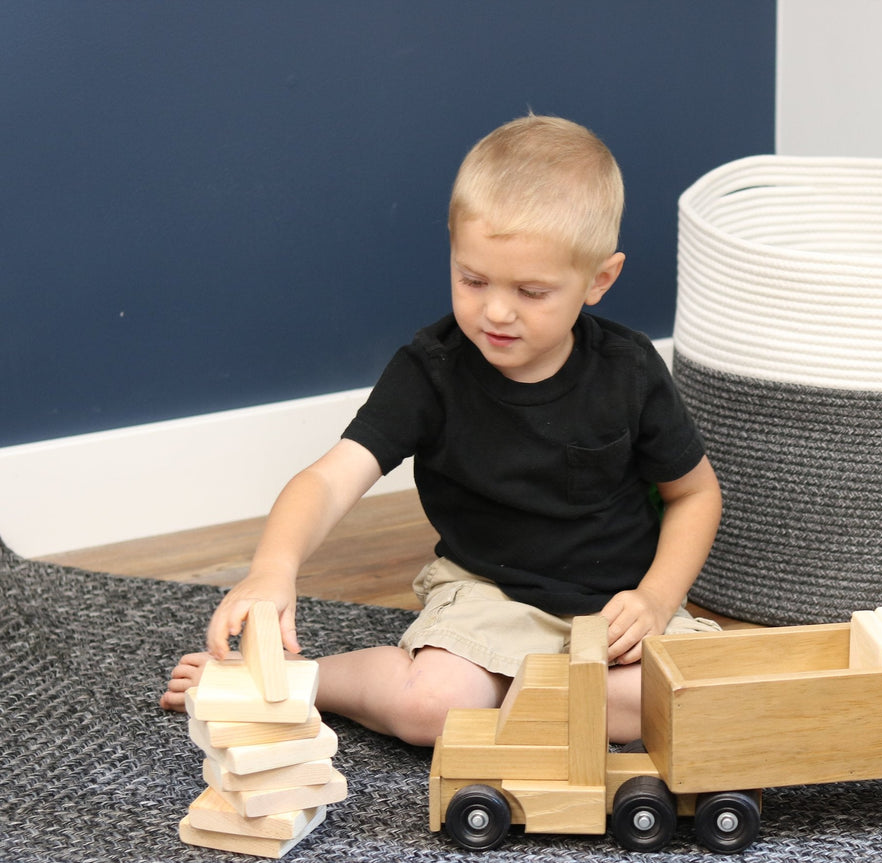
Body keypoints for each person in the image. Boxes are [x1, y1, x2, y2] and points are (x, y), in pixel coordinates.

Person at [160, 115, 722, 746]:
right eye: (472, 279)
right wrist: (273, 566)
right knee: (431, 704)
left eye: (532, 291)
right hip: (489, 596)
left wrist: (653, 598)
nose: (496, 311)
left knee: (694, 702)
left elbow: (694, 494)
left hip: (618, 607)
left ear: (599, 280)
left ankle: (521, 695)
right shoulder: (430, 371)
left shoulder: (631, 369)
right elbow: (330, 478)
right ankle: (298, 681)